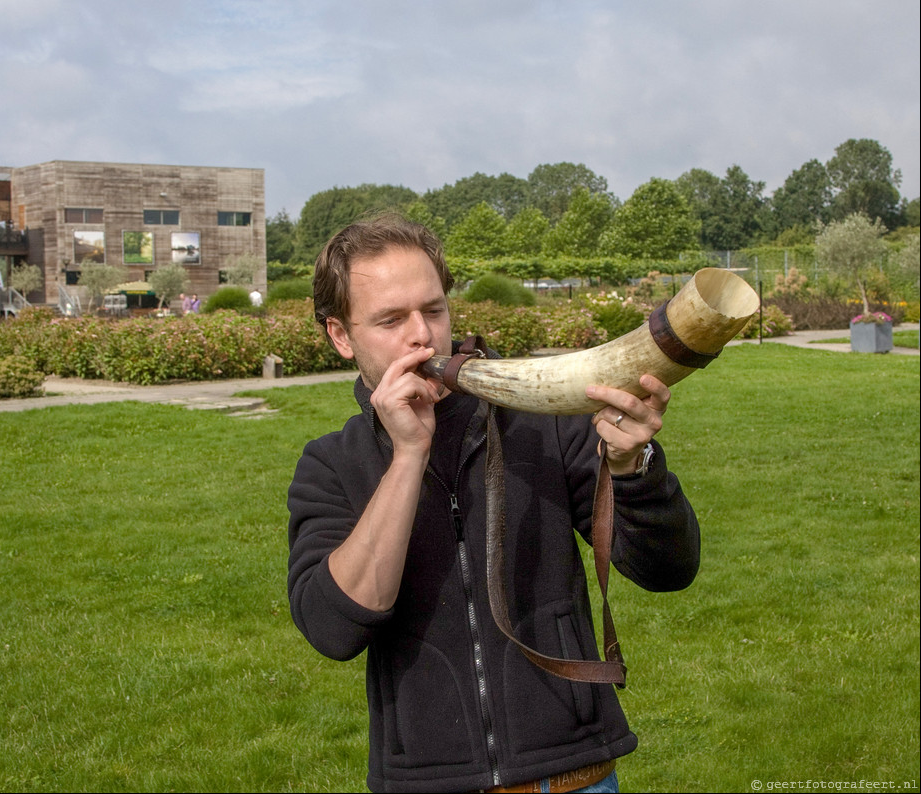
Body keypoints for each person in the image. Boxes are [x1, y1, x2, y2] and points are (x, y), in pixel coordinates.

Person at [286, 214, 700, 793]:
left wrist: (636, 469)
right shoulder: (331, 465)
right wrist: (408, 456)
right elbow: (334, 629)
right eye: (389, 319)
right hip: (429, 781)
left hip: (573, 774)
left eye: (433, 309)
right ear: (340, 335)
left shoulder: (542, 425)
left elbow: (669, 571)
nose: (422, 336)